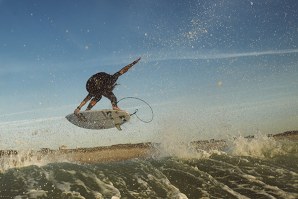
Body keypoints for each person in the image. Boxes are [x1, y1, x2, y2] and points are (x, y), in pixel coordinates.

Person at [74, 57, 141, 116]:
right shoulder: (111, 80)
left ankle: (87, 110)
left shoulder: (108, 81)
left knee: (98, 96)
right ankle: (114, 107)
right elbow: (123, 70)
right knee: (112, 98)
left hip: (90, 84)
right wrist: (133, 64)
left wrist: (78, 108)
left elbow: (87, 98)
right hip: (93, 83)